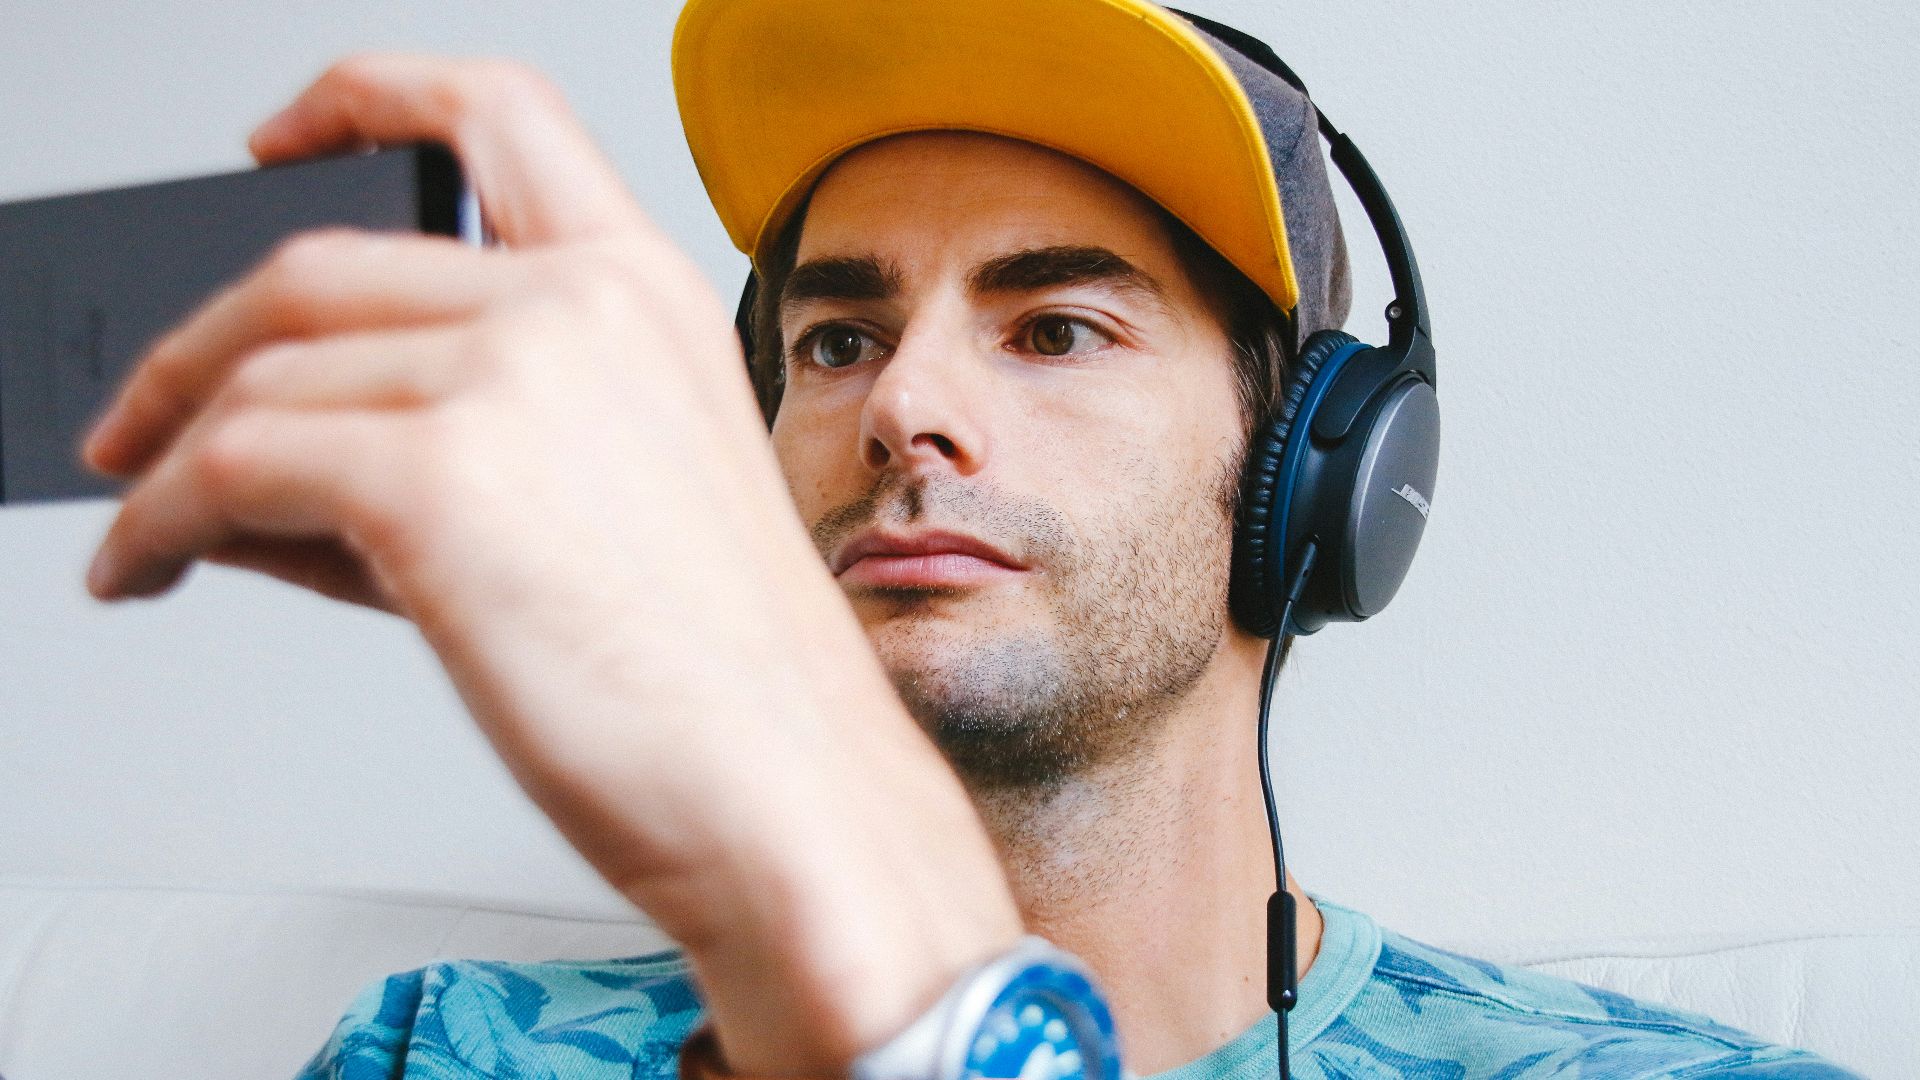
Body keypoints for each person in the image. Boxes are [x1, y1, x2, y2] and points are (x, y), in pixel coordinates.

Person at [80, 0, 1857, 1077]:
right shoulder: (441, 1057)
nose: (901, 406)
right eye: (836, 339)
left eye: (1055, 327)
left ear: (1315, 480)